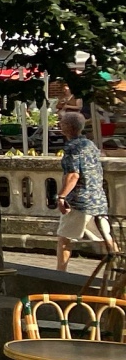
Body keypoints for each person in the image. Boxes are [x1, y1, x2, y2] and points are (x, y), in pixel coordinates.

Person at [55, 110, 113, 270]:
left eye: (61, 123)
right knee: (105, 239)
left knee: (65, 240)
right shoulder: (90, 145)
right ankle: (120, 271)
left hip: (79, 202)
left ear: (65, 127)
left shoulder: (72, 148)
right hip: (98, 199)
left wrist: (61, 196)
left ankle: (60, 276)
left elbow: (73, 175)